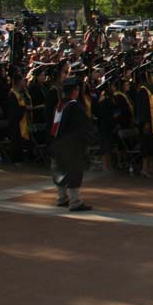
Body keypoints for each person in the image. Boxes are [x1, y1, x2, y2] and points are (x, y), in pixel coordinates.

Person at [49, 76, 98, 212]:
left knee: (60, 170)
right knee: (73, 171)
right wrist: (91, 138)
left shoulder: (60, 105)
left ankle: (61, 197)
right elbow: (83, 125)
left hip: (57, 143)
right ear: (74, 91)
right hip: (71, 144)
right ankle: (75, 201)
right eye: (77, 89)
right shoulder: (74, 106)